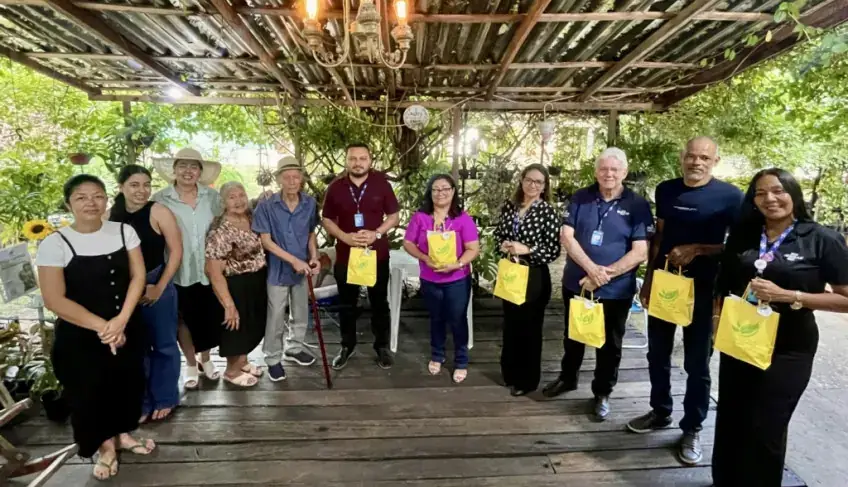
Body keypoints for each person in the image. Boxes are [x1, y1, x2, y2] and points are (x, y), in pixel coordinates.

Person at [712, 169, 848, 486]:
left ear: (793, 194)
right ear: (753, 200)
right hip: (740, 340)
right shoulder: (744, 235)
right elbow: (723, 286)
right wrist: (717, 324)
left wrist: (790, 295)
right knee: (731, 420)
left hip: (788, 348)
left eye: (778, 190)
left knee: (766, 428)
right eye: (761, 193)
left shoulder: (821, 239)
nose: (770, 198)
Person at [626, 137, 743, 465]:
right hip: (665, 284)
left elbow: (740, 247)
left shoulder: (731, 197)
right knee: (657, 354)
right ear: (683, 158)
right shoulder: (666, 190)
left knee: (697, 363)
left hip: (705, 289)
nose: (696, 162)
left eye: (704, 157)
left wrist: (698, 249)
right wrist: (648, 279)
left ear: (715, 161)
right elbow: (659, 236)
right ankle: (660, 411)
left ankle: (692, 426)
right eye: (691, 156)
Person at [36, 175, 155, 481]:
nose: (91, 202)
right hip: (81, 335)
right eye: (81, 197)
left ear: (106, 200)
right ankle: (105, 447)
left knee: (128, 384)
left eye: (97, 196)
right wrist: (104, 327)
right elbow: (54, 299)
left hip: (127, 325)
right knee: (90, 392)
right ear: (68, 204)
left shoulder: (123, 231)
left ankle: (123, 434)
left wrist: (122, 320)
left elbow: (138, 277)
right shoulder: (55, 243)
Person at [543, 148, 653, 420]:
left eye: (615, 170)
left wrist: (605, 275)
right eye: (604, 169)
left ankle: (602, 392)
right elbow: (566, 236)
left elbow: (640, 251)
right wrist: (592, 270)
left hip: (616, 290)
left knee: (610, 344)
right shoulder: (581, 197)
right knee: (574, 335)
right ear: (596, 171)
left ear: (624, 173)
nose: (609, 174)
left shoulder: (637, 204)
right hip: (578, 282)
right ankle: (568, 378)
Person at [109, 165, 183, 423]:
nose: (142, 190)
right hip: (123, 289)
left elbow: (175, 252)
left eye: (146, 185)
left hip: (155, 281)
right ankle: (141, 400)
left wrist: (160, 286)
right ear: (121, 187)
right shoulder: (110, 216)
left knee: (163, 344)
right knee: (133, 347)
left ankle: (165, 397)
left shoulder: (158, 211)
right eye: (134, 185)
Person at [321, 143, 400, 370]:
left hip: (377, 253)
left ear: (370, 160)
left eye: (362, 158)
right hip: (347, 254)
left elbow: (394, 215)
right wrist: (344, 237)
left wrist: (376, 234)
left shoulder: (381, 184)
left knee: (379, 302)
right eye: (353, 158)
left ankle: (382, 347)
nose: (358, 162)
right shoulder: (336, 187)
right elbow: (326, 219)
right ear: (346, 161)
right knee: (347, 303)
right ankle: (347, 346)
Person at [152, 148, 224, 389]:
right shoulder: (160, 199)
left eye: (194, 167)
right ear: (174, 169)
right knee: (183, 318)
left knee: (209, 315)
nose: (188, 171)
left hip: (208, 267)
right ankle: (191, 364)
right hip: (178, 267)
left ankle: (206, 359)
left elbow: (224, 225)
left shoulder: (212, 197)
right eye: (183, 166)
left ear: (200, 172)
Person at [403, 174, 480, 383]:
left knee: (457, 319)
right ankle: (437, 355)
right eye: (436, 189)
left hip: (457, 279)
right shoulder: (421, 217)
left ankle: (461, 360)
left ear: (453, 191)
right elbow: (408, 243)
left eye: (445, 188)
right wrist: (424, 257)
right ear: (430, 192)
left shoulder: (462, 218)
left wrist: (458, 263)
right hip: (430, 278)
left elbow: (473, 248)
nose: (440, 193)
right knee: (436, 318)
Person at [494, 164, 561, 396]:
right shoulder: (510, 207)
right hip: (511, 272)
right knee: (510, 325)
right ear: (521, 181)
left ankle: (526, 380)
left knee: (530, 329)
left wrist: (527, 249)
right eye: (529, 180)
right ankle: (509, 373)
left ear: (544, 187)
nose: (533, 185)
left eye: (538, 182)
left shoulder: (547, 212)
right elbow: (498, 235)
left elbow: (553, 250)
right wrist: (504, 245)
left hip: (534, 276)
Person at [253, 157, 320, 382]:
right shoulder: (266, 206)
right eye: (287, 176)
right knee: (275, 315)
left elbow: (311, 233)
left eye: (296, 176)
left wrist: (314, 256)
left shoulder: (309, 203)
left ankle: (295, 347)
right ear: (279, 179)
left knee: (301, 311)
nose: (292, 181)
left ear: (301, 179)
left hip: (303, 269)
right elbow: (266, 241)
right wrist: (293, 260)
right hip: (278, 269)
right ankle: (272, 358)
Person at [205, 182, 267, 387]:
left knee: (253, 324)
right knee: (235, 325)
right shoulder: (220, 230)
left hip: (256, 279)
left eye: (241, 195)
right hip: (234, 284)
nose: (238, 200)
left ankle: (243, 362)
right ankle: (231, 371)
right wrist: (228, 305)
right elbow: (214, 272)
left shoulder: (251, 218)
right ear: (223, 202)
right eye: (232, 197)